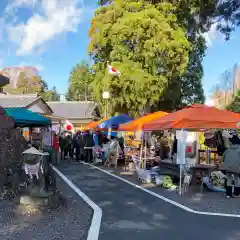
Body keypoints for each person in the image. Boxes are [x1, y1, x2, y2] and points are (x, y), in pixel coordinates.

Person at [222, 134, 240, 198]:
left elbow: (223, 158)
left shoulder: (228, 150)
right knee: (236, 179)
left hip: (227, 167)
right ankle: (236, 194)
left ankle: (228, 195)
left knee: (229, 179)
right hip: (237, 168)